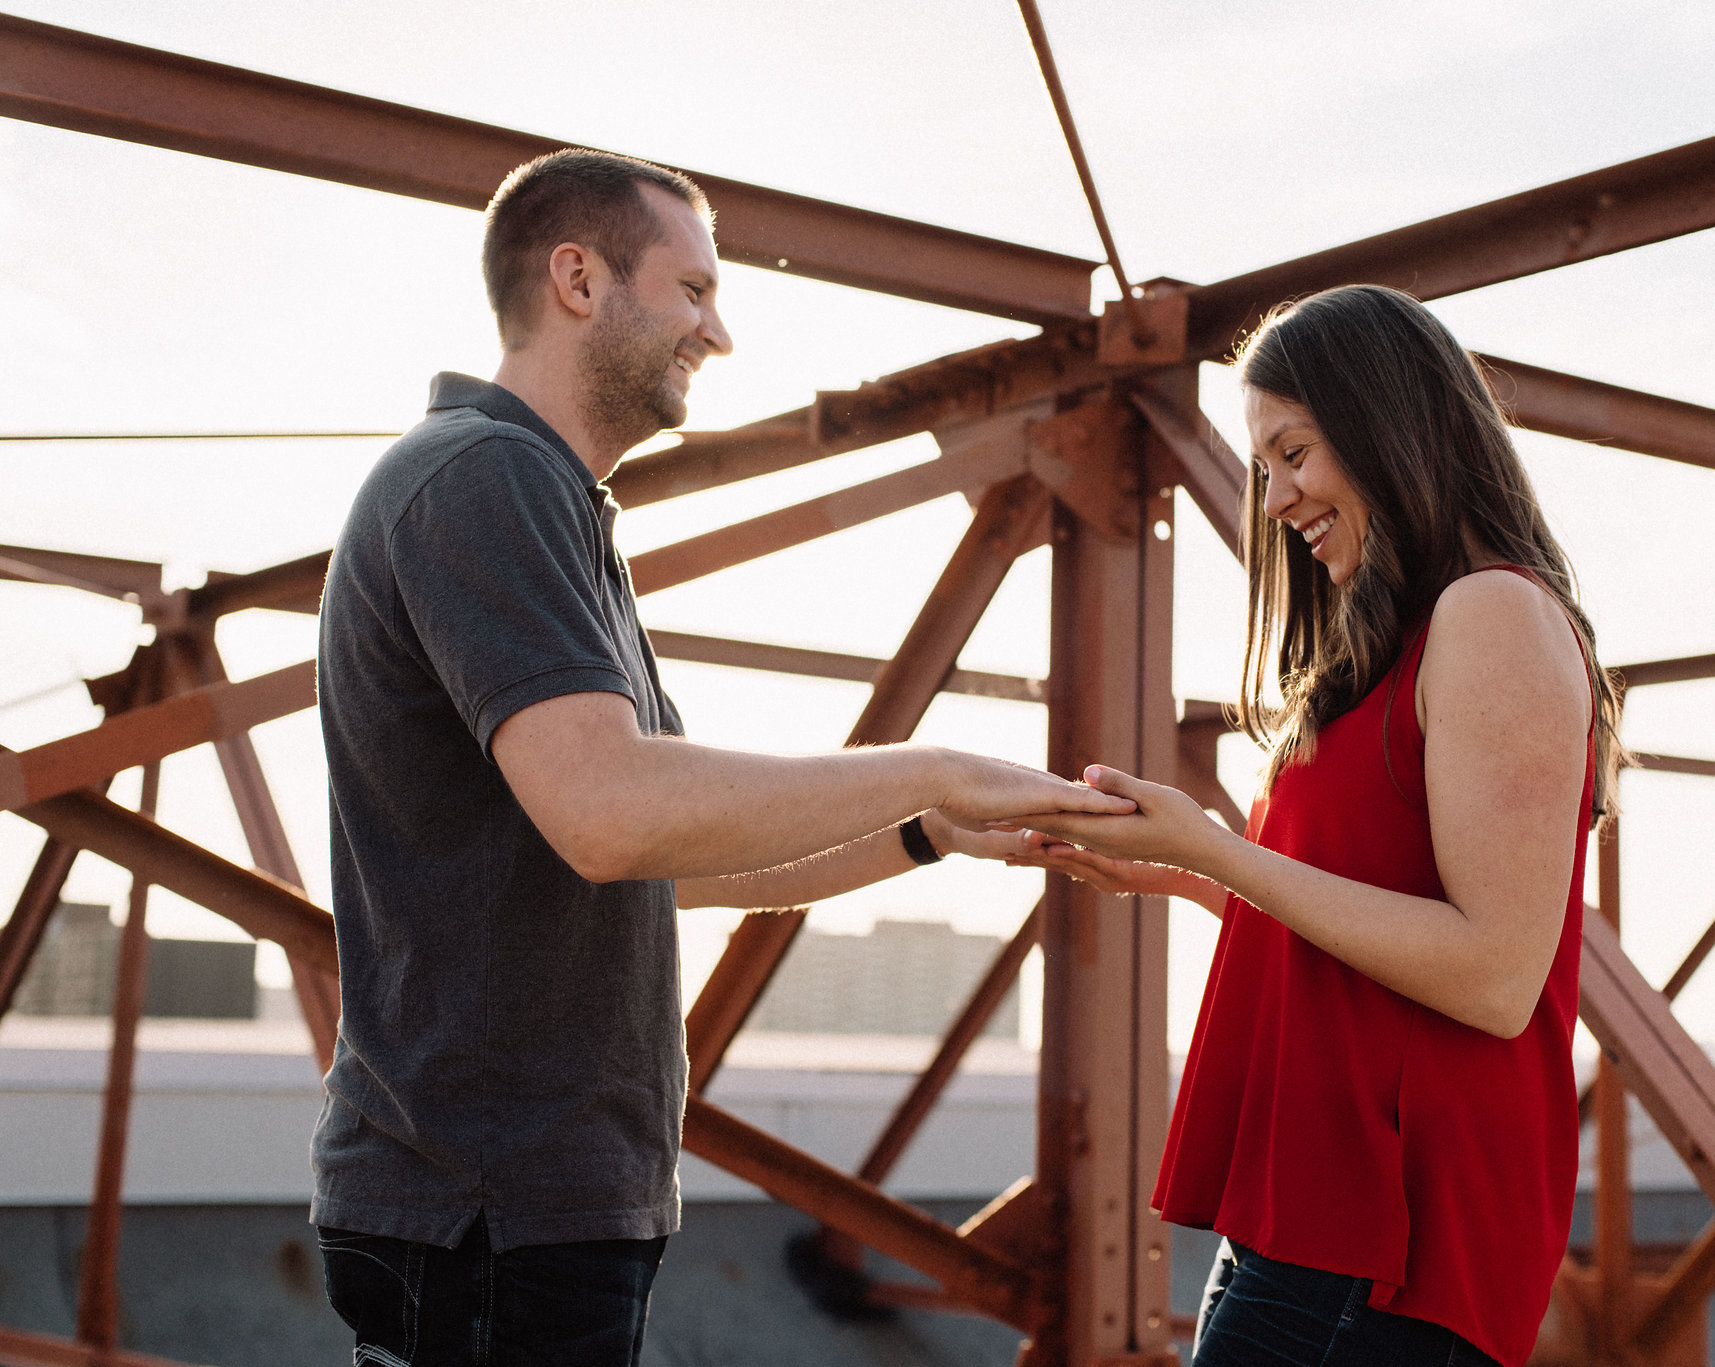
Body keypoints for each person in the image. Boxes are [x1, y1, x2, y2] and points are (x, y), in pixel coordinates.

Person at [311, 148, 1129, 1366]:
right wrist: (928, 765)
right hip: (488, 1213)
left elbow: (661, 855)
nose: (720, 332)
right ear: (577, 279)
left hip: (529, 1213)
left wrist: (921, 834)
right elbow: (614, 817)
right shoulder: (486, 475)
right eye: (693, 289)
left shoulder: (549, 500)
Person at [1015, 285, 1623, 1367]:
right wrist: (1193, 871)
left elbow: (1492, 970)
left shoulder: (1491, 614)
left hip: (1388, 1238)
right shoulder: (1397, 640)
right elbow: (1382, 925)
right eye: (1261, 466)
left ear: (1386, 423)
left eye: (1293, 451)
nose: (1277, 495)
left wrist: (1219, 848)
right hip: (1311, 1219)